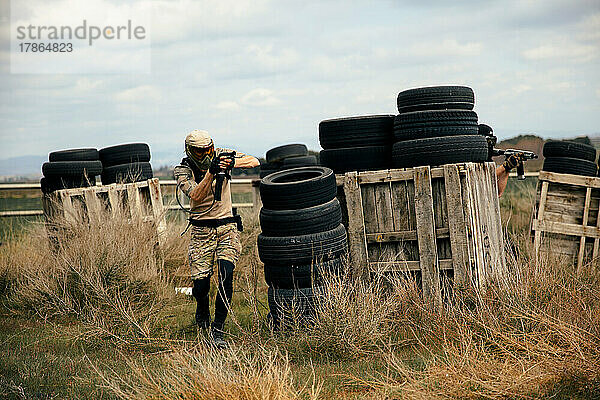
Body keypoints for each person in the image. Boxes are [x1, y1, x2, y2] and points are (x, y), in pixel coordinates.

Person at [173, 129, 259, 348]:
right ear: (189, 150)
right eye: (199, 152)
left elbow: (253, 161)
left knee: (226, 275)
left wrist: (230, 164)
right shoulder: (183, 170)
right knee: (201, 286)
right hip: (201, 232)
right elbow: (195, 194)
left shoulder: (221, 155)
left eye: (207, 150)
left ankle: (218, 329)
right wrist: (211, 173)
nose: (204, 155)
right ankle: (202, 307)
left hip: (227, 226)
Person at [479, 123, 527, 197]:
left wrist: (508, 168)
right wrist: (504, 167)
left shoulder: (489, 161)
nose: (491, 144)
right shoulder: (473, 159)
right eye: (488, 141)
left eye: (493, 141)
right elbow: (482, 178)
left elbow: (499, 192)